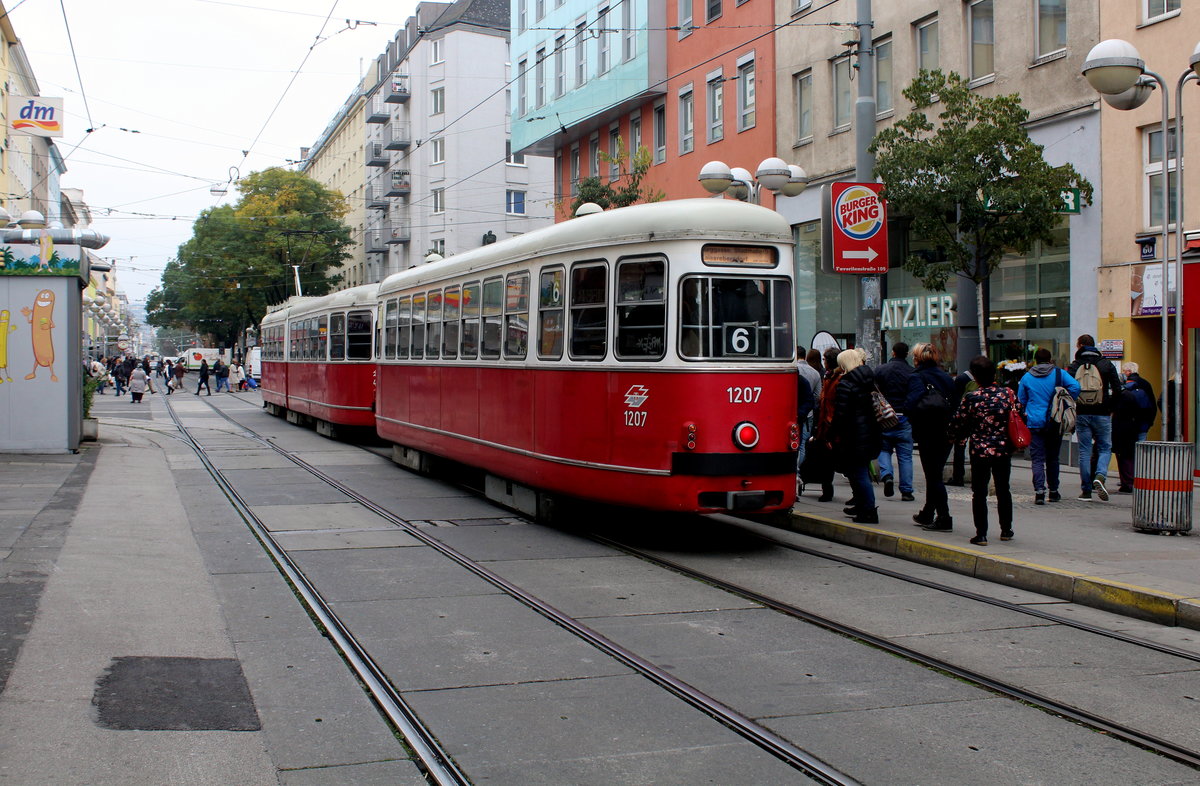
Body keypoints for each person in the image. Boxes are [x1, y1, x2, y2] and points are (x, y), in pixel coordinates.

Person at [950, 356, 1018, 546]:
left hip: (980, 450)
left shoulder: (972, 397)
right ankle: (1006, 529)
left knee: (979, 492)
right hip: (1003, 449)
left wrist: (955, 436)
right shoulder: (1008, 394)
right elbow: (1020, 414)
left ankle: (981, 534)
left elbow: (958, 421)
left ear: (975, 376)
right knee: (1003, 489)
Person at [1017, 348, 1079, 504]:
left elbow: (1021, 400)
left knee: (1037, 459)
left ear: (1035, 360)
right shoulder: (1059, 374)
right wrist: (1064, 397)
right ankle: (1053, 491)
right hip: (1054, 420)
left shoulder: (1027, 377)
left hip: (1034, 422)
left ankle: (1039, 491)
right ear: (1050, 359)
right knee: (1053, 458)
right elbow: (1076, 387)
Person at [905, 343, 956, 531]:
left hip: (927, 431)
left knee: (933, 476)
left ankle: (944, 517)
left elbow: (911, 403)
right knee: (935, 473)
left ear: (917, 359)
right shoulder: (946, 377)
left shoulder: (917, 377)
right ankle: (928, 512)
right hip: (946, 431)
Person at [1067, 334, 1122, 501]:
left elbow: (1067, 389)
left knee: (1084, 451)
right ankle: (1100, 475)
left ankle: (1086, 490)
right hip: (1102, 412)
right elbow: (1117, 389)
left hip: (1082, 412)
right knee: (1105, 447)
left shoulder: (1075, 365)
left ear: (1080, 346)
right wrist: (1110, 407)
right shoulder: (1106, 364)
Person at [833, 349, 882, 524]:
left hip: (853, 435)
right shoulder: (869, 380)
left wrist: (833, 434)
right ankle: (863, 506)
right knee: (860, 472)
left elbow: (841, 414)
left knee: (859, 473)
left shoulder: (846, 384)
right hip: (869, 432)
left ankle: (869, 510)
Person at [874, 342, 915, 501]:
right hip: (904, 416)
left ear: (893, 352)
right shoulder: (912, 372)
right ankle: (906, 491)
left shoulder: (881, 370)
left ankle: (887, 475)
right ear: (907, 354)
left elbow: (875, 392)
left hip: (885, 415)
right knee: (905, 456)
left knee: (884, 449)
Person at [1113, 361, 1158, 493]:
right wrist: (1149, 422)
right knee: (1140, 452)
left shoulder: (1125, 387)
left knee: (1127, 453)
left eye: (1124, 371)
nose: (1123, 373)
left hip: (1128, 425)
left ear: (1128, 372)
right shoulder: (1146, 384)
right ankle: (1140, 478)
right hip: (1143, 424)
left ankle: (1130, 479)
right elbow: (1153, 404)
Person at [807, 348, 844, 503]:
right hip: (825, 425)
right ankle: (827, 489)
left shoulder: (836, 379)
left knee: (830, 461)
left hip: (830, 425)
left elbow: (831, 404)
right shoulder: (828, 377)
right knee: (825, 460)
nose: (823, 362)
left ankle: (828, 490)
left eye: (825, 359)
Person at [947, 366, 976, 486]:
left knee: (959, 447)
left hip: (963, 418)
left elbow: (955, 399)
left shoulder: (961, 379)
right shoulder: (979, 380)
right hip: (975, 418)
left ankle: (958, 476)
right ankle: (974, 475)